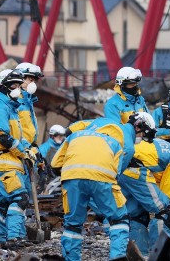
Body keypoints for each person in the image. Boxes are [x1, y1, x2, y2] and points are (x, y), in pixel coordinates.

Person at [51, 112, 153, 261]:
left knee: (73, 225)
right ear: (139, 127)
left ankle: (71, 258)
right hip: (101, 178)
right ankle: (117, 258)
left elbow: (54, 165)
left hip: (71, 178)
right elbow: (115, 174)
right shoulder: (119, 144)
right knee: (119, 220)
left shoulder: (77, 135)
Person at [0, 69, 34, 245]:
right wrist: (23, 152)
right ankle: (14, 237)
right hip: (5, 162)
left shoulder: (11, 108)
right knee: (20, 198)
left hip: (12, 161)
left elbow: (18, 138)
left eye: (19, 85)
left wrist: (31, 152)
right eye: (14, 85)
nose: (18, 89)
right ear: (3, 86)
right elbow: (4, 138)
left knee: (4, 204)